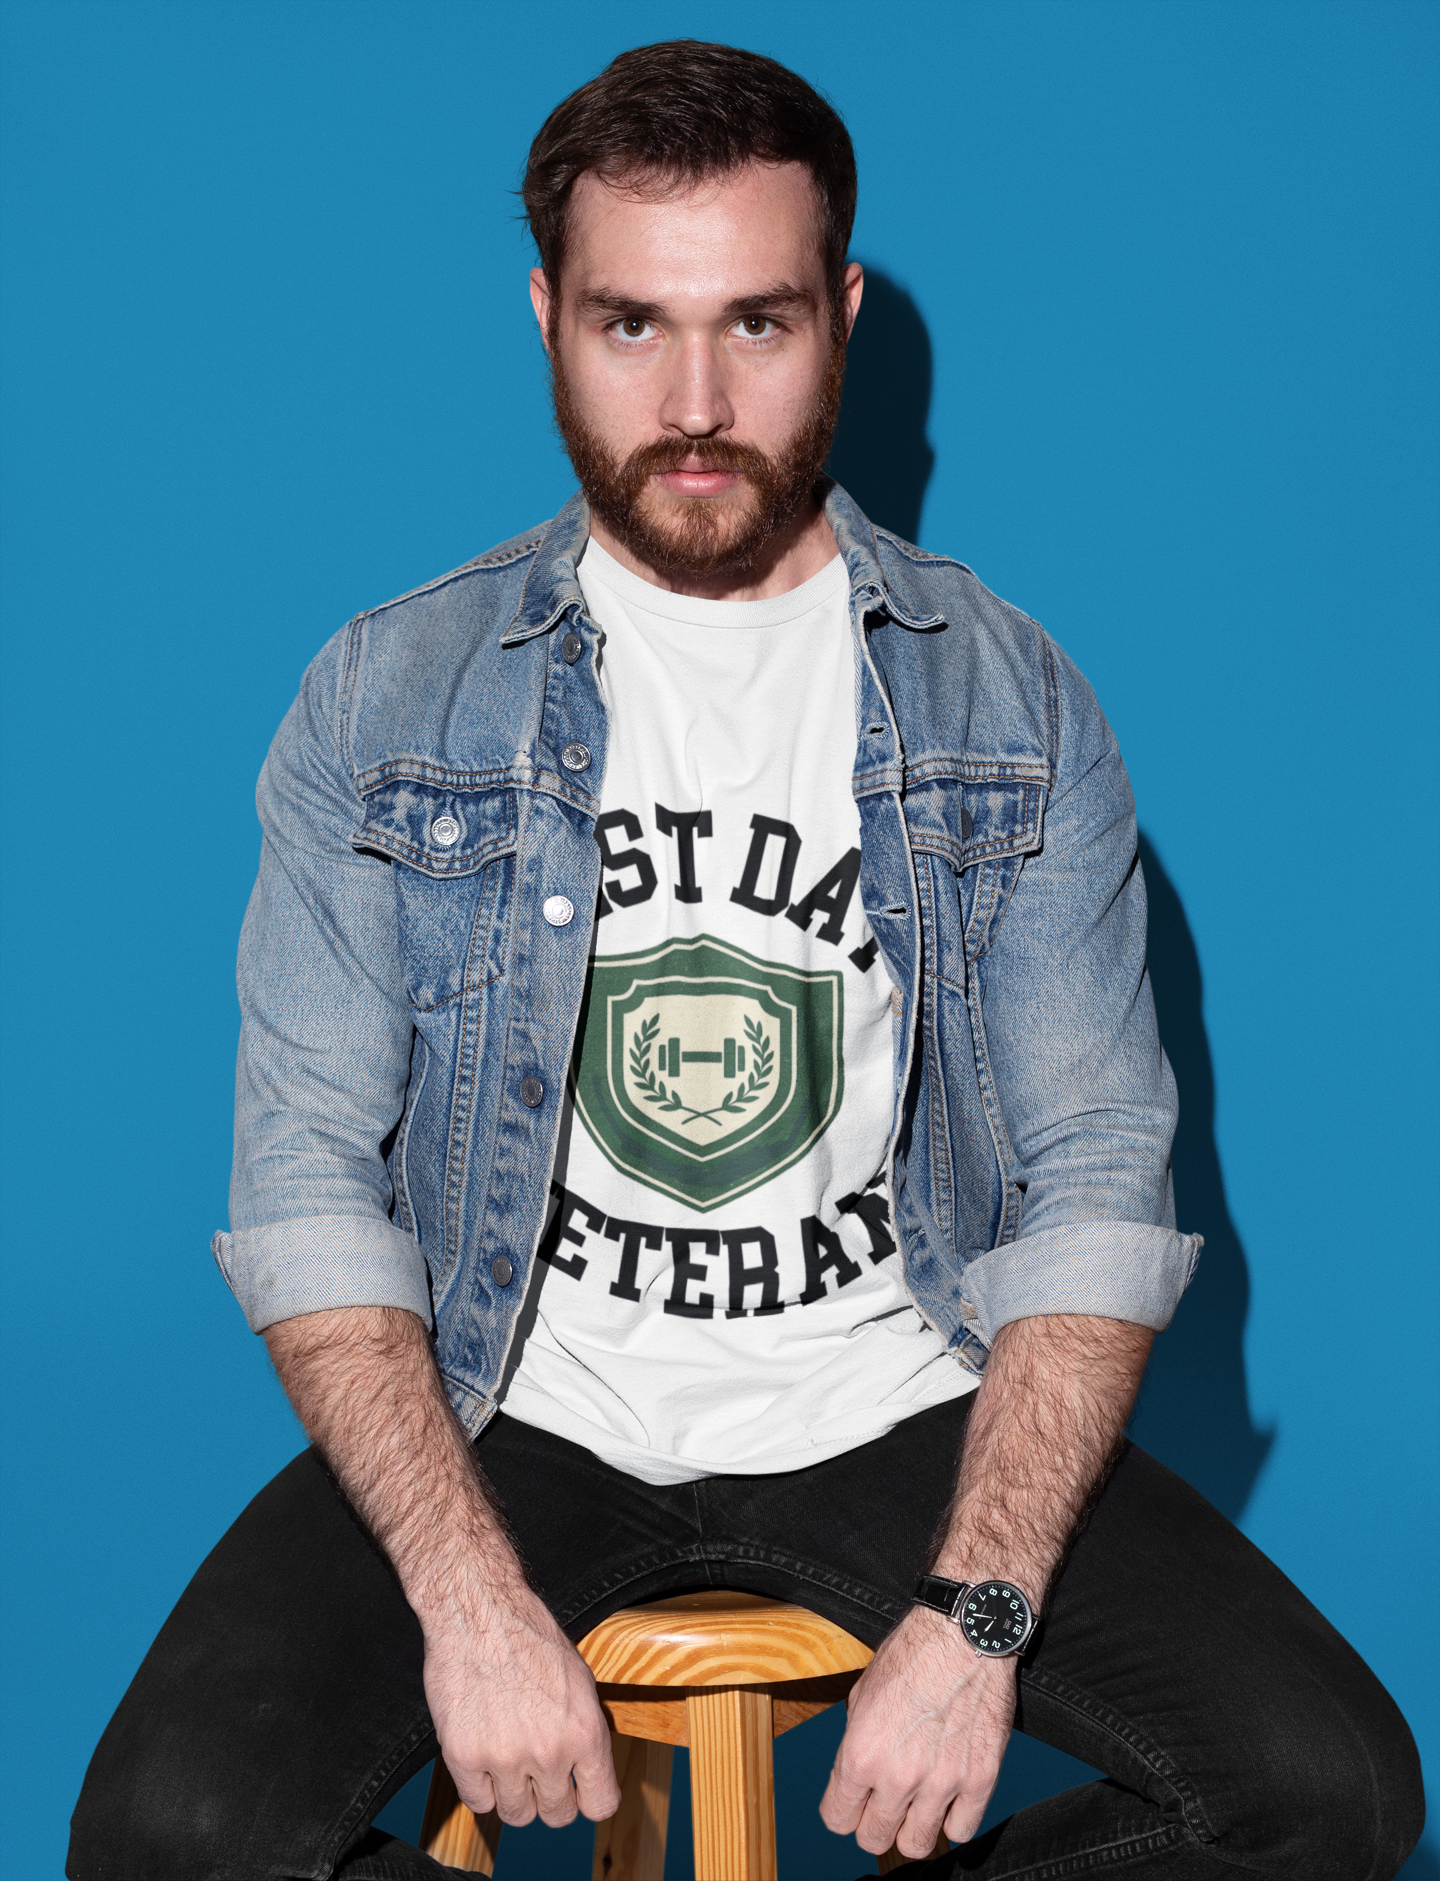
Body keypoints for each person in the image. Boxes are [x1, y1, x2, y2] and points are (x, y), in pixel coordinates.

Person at [68, 39, 1422, 1881]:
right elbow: (305, 1172)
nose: (695, 403)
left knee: (1325, 1792)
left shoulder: (1008, 700)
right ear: (547, 316)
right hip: (518, 1399)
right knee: (170, 1839)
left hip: (893, 1400)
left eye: (759, 328)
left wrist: (983, 1620)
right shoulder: (386, 700)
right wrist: (468, 1600)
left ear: (843, 314)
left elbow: (1099, 1165)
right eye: (632, 327)